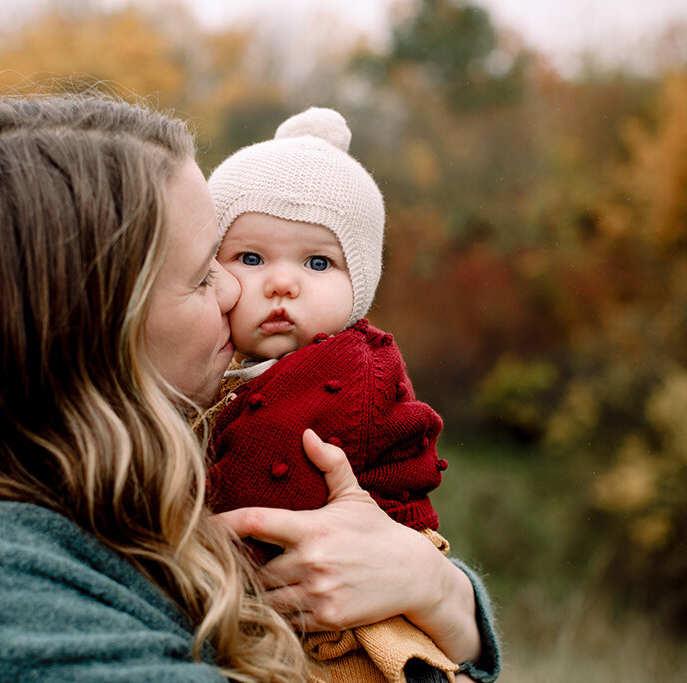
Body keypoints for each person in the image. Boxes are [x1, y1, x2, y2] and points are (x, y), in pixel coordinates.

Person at [0, 95, 498, 682]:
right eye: (210, 271)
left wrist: (437, 590)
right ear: (92, 318)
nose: (243, 291)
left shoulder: (157, 470)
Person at [201, 107, 484, 682]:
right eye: (250, 258)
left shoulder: (342, 367)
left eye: (318, 261)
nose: (282, 282)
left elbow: (266, 485)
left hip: (347, 608)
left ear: (361, 283)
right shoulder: (244, 366)